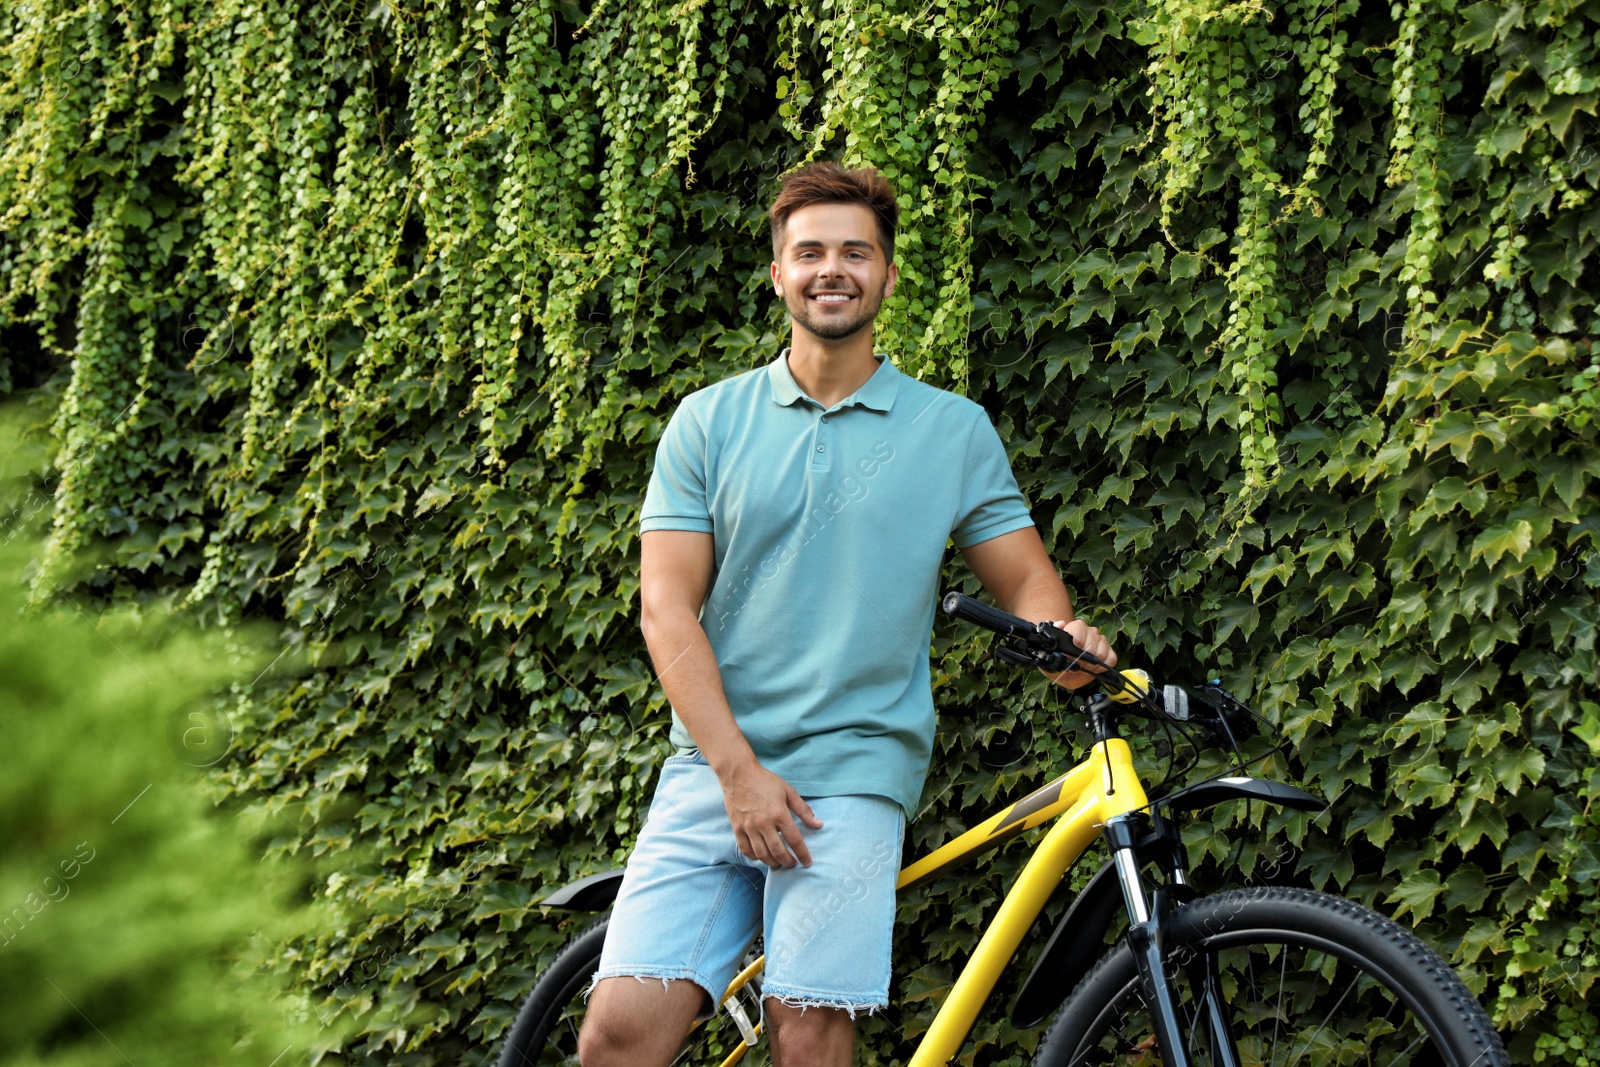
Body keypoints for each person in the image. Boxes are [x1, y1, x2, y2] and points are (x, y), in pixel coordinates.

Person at [577, 161, 1115, 1067]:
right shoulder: (706, 423)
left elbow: (1028, 585)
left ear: (888, 275)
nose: (834, 268)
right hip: (712, 764)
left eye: (855, 252)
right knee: (617, 1035)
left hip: (855, 774)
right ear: (779, 273)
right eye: (811, 252)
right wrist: (737, 769)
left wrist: (1059, 641)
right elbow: (666, 609)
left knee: (810, 1027)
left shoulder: (952, 430)